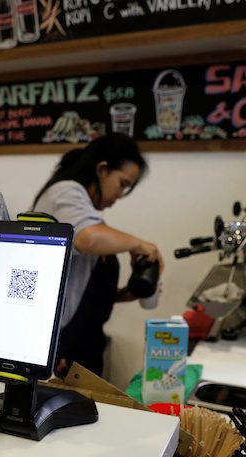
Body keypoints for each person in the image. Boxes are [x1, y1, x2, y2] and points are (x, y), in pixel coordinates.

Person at [32, 133, 164, 378]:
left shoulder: (88, 214)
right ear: (103, 169)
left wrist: (127, 294)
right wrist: (140, 245)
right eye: (122, 184)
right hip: (59, 345)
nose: (120, 195)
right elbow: (86, 238)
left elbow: (80, 289)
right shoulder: (66, 191)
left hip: (84, 348)